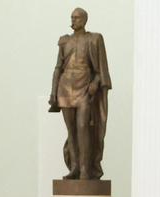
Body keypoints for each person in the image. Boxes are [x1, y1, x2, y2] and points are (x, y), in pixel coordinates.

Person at [48, 7, 111, 180]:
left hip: (84, 88)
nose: (73, 20)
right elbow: (58, 68)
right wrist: (53, 92)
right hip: (65, 88)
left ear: (84, 20)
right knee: (71, 130)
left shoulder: (94, 39)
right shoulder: (64, 41)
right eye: (72, 17)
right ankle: (75, 167)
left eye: (76, 18)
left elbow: (100, 70)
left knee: (83, 127)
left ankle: (85, 169)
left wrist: (95, 82)